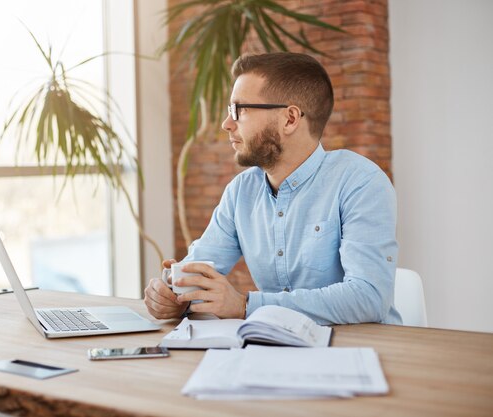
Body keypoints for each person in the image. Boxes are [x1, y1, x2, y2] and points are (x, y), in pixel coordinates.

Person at [144, 52, 401, 325]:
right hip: (277, 349)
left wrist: (245, 305)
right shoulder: (241, 192)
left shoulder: (360, 182)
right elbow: (195, 273)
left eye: (238, 110)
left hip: (360, 353)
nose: (226, 124)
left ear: (290, 119)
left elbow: (368, 298)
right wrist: (173, 295)